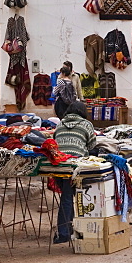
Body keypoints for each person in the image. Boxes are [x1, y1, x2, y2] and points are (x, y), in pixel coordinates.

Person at [52, 100, 96, 244]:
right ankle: (66, 232)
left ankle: (66, 230)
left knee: (66, 195)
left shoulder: (60, 123)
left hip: (58, 165)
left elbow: (55, 141)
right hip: (76, 166)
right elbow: (92, 145)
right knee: (69, 196)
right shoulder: (86, 124)